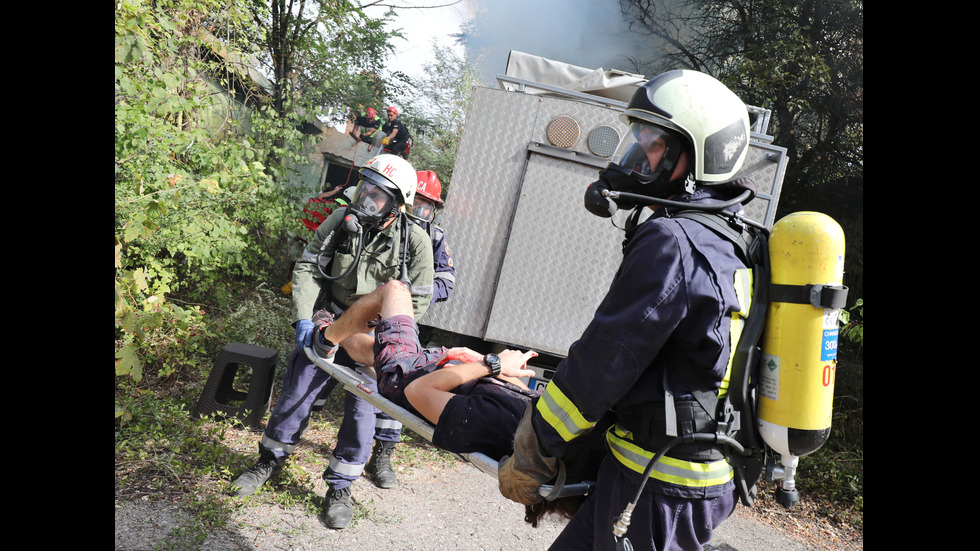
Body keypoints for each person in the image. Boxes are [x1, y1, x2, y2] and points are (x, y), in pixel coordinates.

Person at [497, 70, 758, 551]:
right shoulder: (732, 237)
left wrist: (536, 446)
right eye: (637, 138)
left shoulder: (673, 240)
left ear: (696, 157)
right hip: (665, 468)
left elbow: (604, 361)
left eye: (654, 144)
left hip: (658, 481)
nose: (638, 156)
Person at [231, 154, 435, 531]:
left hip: (375, 334)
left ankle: (340, 488)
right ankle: (268, 461)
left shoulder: (415, 242)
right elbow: (309, 265)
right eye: (366, 187)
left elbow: (417, 301)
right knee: (298, 394)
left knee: (362, 412)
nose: (367, 198)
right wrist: (305, 318)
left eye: (378, 194)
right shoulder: (341, 220)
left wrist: (379, 336)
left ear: (398, 203)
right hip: (331, 322)